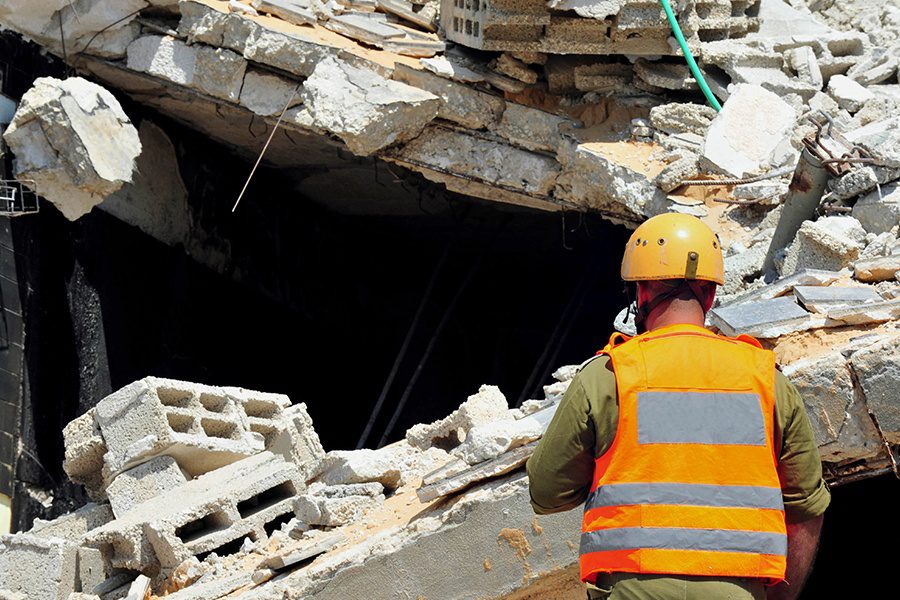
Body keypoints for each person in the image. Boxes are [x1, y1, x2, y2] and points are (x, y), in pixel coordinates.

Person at [526, 213, 829, 600]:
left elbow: (546, 492)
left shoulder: (610, 375)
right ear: (711, 295)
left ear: (642, 293)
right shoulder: (766, 379)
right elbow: (806, 509)